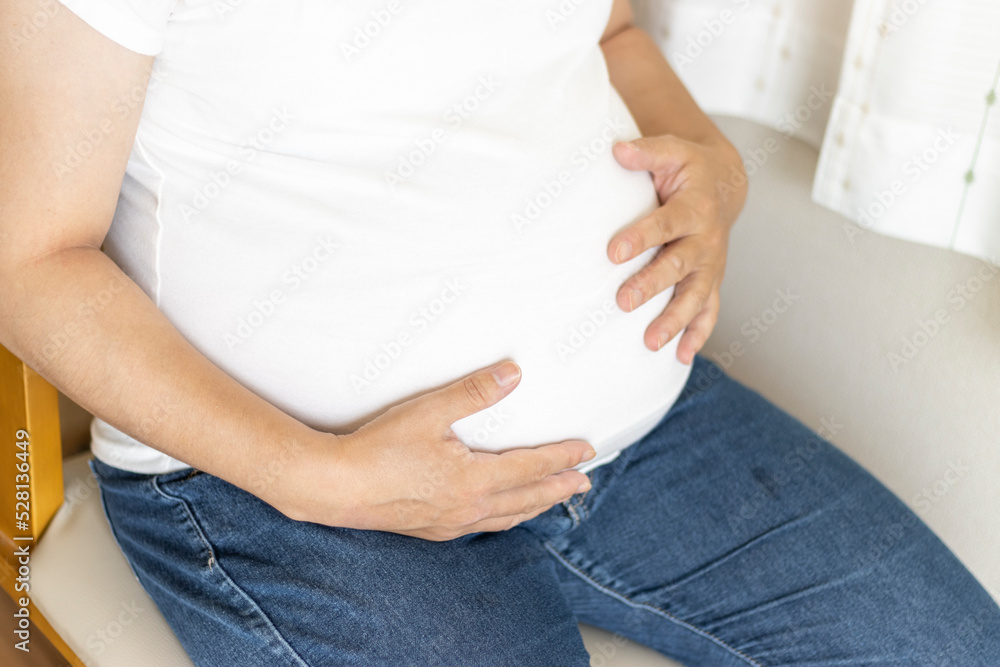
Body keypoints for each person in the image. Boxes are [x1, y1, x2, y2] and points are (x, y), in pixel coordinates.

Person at [1, 0, 997, 665]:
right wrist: (316, 477)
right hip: (285, 491)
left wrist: (709, 162)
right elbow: (28, 264)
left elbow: (610, 30)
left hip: (644, 433)